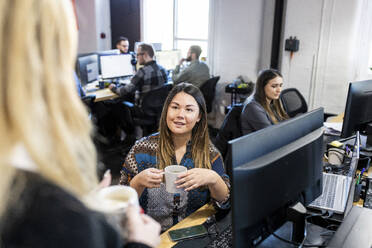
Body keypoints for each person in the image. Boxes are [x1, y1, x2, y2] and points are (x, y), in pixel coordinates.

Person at [0, 1, 160, 248]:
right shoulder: (57, 216)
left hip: (137, 112)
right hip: (149, 116)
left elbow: (127, 89)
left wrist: (81, 201)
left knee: (113, 109)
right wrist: (141, 244)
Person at [119, 83, 230, 231]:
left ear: (199, 117)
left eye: (189, 109)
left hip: (193, 233)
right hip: (150, 233)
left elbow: (225, 205)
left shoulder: (209, 154)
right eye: (175, 107)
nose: (180, 115)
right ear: (166, 111)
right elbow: (120, 206)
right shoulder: (141, 149)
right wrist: (138, 182)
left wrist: (214, 179)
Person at [108, 43, 168, 144]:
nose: (136, 57)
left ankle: (127, 137)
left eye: (137, 55)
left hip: (143, 111)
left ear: (144, 55)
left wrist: (113, 88)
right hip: (158, 111)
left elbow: (123, 91)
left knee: (116, 105)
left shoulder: (142, 72)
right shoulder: (163, 69)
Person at [240, 69, 289, 135]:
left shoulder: (273, 102)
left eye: (280, 85)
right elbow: (270, 135)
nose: (279, 90)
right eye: (274, 86)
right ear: (262, 87)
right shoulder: (253, 107)